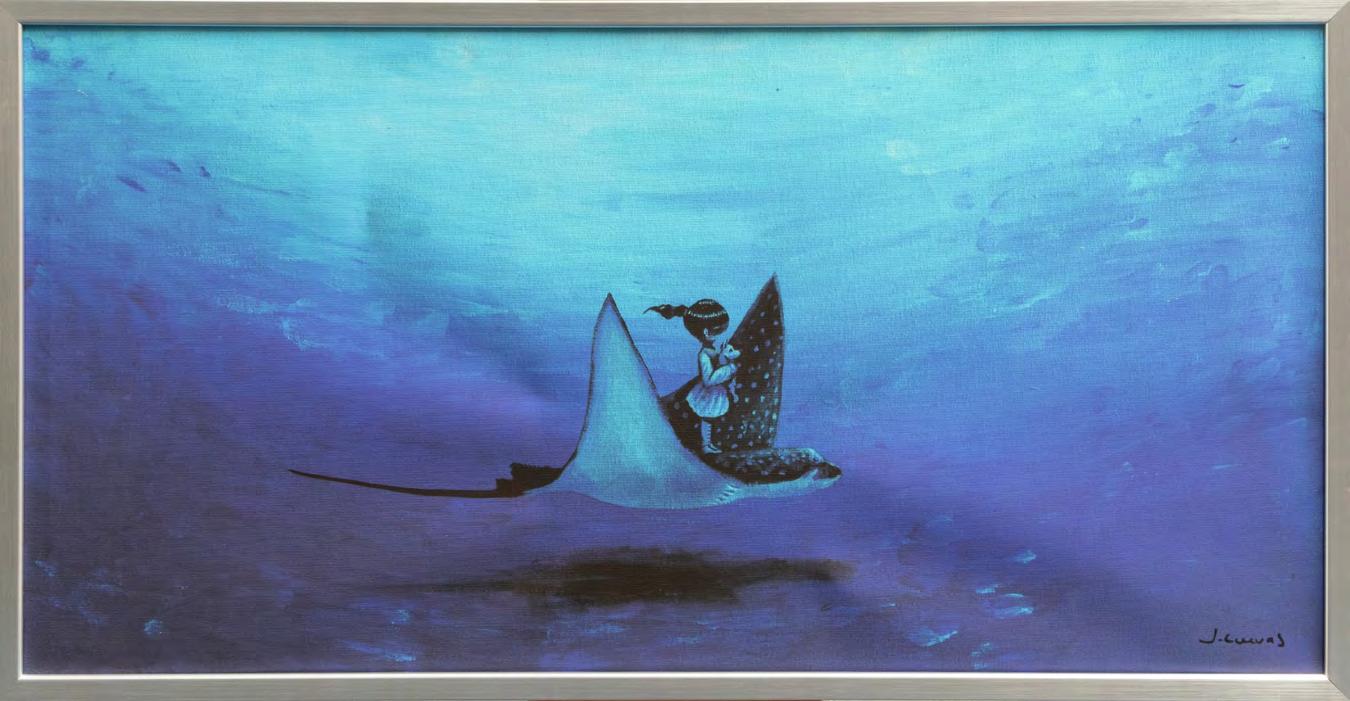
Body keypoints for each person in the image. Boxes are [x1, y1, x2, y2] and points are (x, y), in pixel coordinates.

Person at [646, 299, 741, 453]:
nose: (721, 333)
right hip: (708, 393)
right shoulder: (704, 355)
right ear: (706, 332)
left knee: (711, 419)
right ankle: (706, 445)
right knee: (707, 418)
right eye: (719, 330)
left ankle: (709, 443)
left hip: (716, 391)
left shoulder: (713, 349)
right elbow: (708, 379)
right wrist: (729, 369)